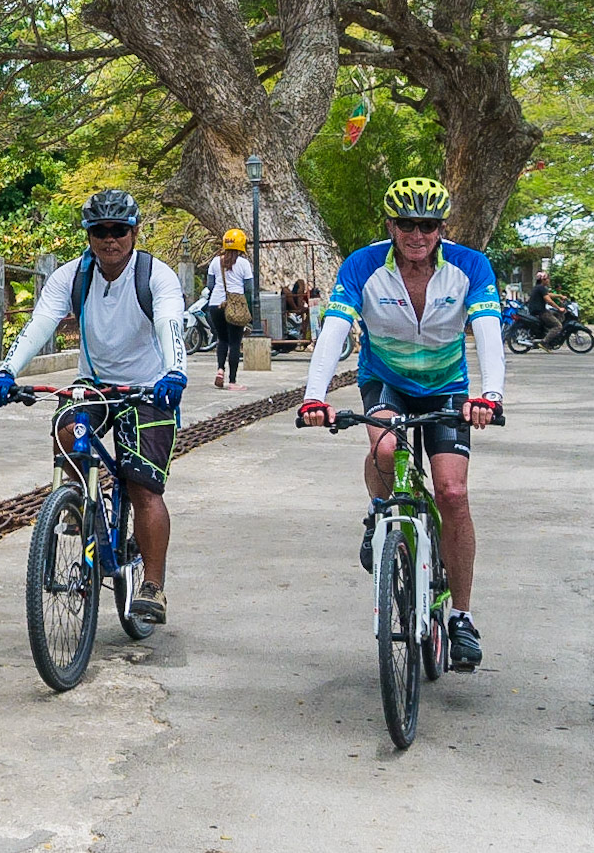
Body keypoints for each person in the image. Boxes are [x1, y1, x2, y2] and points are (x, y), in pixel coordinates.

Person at [297, 177, 505, 671]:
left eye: (428, 225)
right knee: (387, 451)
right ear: (390, 225)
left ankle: (462, 616)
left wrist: (490, 395)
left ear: (441, 228)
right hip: (385, 379)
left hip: (446, 384)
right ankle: (379, 512)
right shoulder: (363, 265)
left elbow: (488, 331)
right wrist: (313, 397)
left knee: (452, 493)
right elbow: (334, 331)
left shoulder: (470, 266)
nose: (417, 234)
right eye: (407, 224)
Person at [0, 189, 188, 623]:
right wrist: (6, 371)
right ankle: (80, 504)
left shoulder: (156, 276)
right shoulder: (71, 276)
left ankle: (152, 587)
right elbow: (40, 323)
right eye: (100, 231)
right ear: (89, 235)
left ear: (134, 232)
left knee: (143, 487)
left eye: (118, 231)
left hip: (150, 389)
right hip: (94, 385)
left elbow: (171, 322)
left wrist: (175, 373)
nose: (109, 240)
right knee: (65, 427)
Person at [202, 228, 254, 389]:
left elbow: (210, 285)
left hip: (215, 305)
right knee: (235, 343)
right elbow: (249, 287)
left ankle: (220, 369)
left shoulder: (215, 262)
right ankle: (232, 381)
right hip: (235, 306)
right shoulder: (244, 263)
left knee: (222, 339)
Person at [528, 271, 569, 348]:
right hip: (541, 312)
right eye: (547, 279)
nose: (548, 280)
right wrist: (559, 308)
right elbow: (549, 300)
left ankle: (548, 333)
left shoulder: (538, 287)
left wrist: (560, 296)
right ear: (543, 280)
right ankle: (544, 342)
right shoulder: (541, 288)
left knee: (556, 314)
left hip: (537, 311)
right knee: (558, 326)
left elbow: (549, 294)